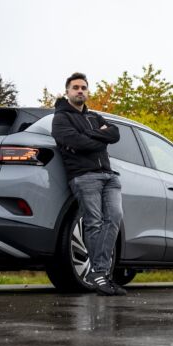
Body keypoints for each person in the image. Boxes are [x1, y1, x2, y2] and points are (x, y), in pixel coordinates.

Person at [51, 72, 126, 296]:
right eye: (75, 87)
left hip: (109, 176)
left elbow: (115, 134)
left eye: (83, 87)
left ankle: (99, 272)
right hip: (84, 176)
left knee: (114, 218)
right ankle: (101, 274)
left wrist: (89, 135)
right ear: (67, 91)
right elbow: (76, 142)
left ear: (88, 91)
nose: (80, 91)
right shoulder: (61, 118)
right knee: (93, 223)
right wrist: (99, 138)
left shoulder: (94, 116)